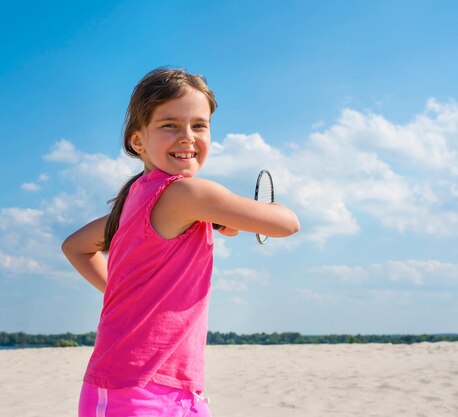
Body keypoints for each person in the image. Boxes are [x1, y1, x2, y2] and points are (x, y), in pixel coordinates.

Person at [62, 67, 300, 417]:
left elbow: (75, 246)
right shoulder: (188, 193)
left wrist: (133, 297)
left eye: (199, 125)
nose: (187, 136)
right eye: (169, 125)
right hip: (133, 391)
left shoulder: (134, 200)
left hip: (177, 390)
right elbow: (287, 224)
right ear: (138, 140)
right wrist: (269, 208)